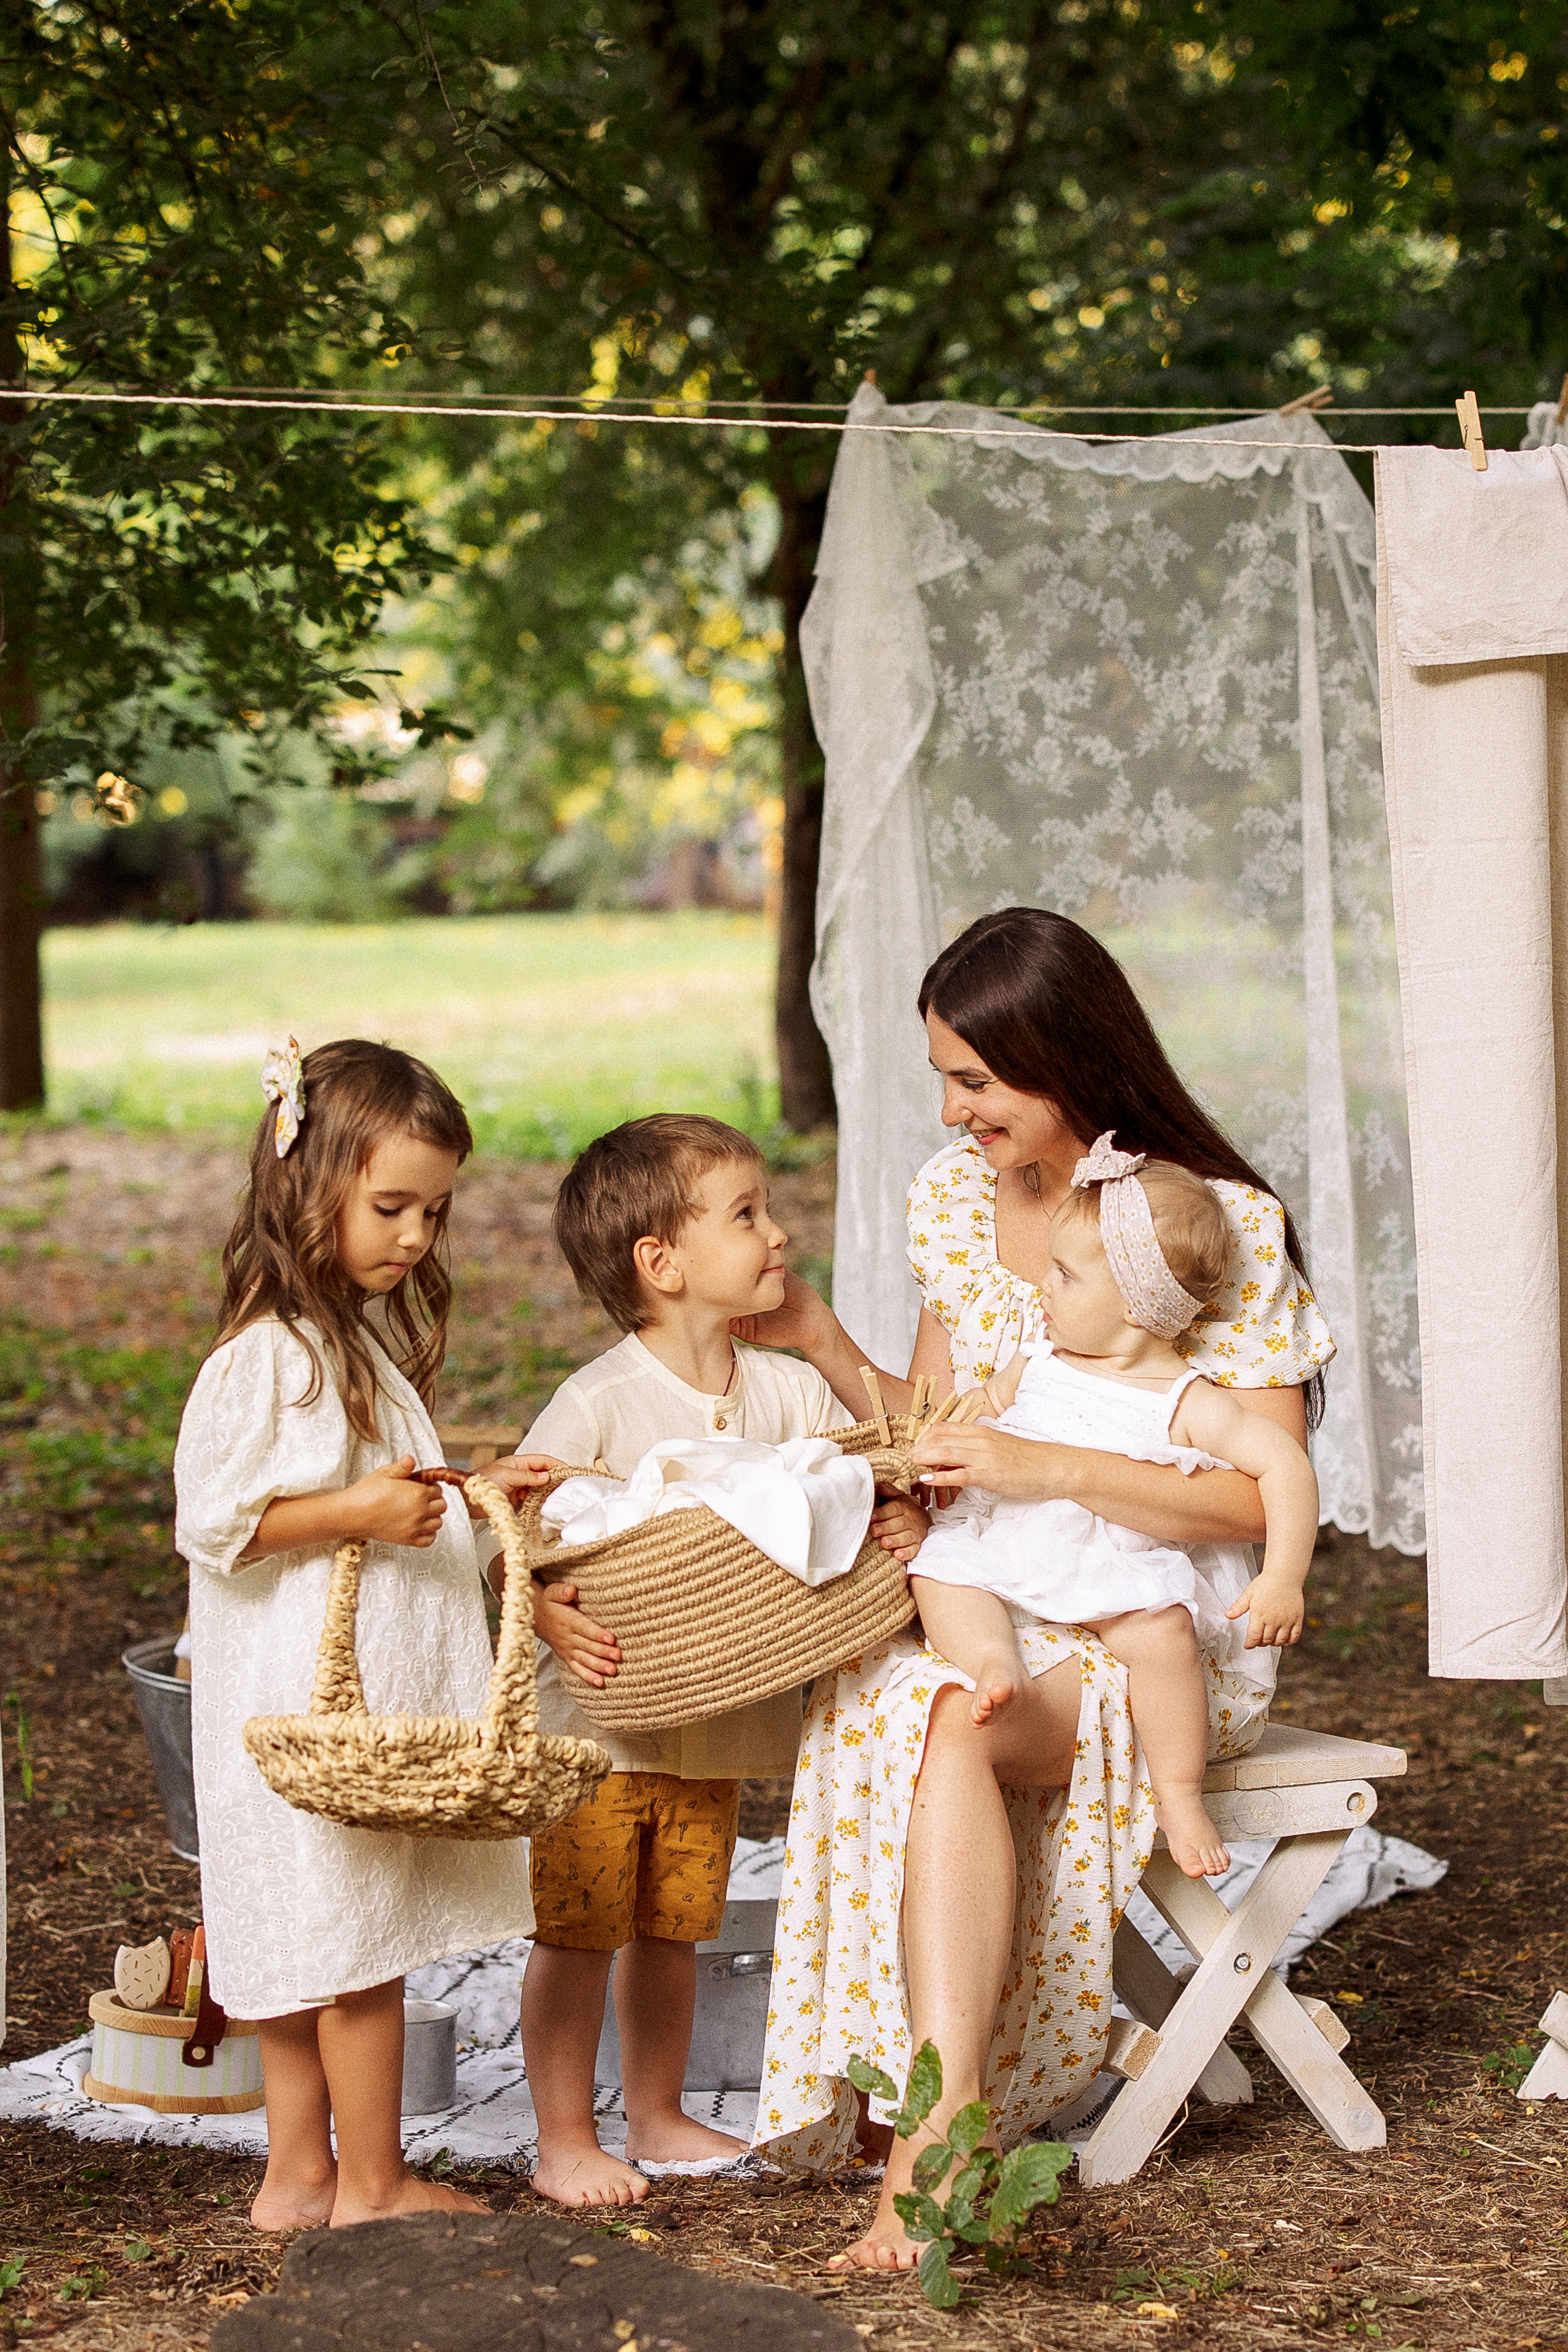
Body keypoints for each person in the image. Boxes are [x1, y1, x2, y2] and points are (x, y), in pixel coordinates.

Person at [733, 908, 1334, 2268]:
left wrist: (1046, 1465)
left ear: (1065, 1058)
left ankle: (934, 2127)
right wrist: (826, 1346)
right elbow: (940, 1425)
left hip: (1160, 1622)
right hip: (1007, 1589)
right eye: (944, 1078)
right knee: (900, 1693)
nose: (954, 1111)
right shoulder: (958, 1198)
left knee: (942, 1711)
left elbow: (1257, 1496)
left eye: (977, 1080)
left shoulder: (1213, 1223)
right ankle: (943, 2100)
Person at [490, 1114, 925, 2211]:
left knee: (675, 1924)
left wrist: (892, 1499)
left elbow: (882, 1456)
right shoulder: (600, 1400)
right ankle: (561, 2135)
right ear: (662, 1260)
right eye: (745, 1214)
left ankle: (655, 2110)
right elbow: (513, 1534)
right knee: (578, 1927)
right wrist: (539, 1608)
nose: (777, 1233)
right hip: (598, 1718)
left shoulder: (783, 1387)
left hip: (716, 1715)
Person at [173, 1039, 532, 2233]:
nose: (417, 1235)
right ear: (306, 1181)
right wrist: (357, 1512)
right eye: (391, 1205)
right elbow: (217, 1519)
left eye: (435, 1210)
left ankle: (296, 2177)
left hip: (320, 1708)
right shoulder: (272, 1355)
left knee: (302, 1937)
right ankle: (372, 2184)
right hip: (310, 1709)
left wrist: (472, 1495)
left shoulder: (348, 1341)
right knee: (355, 1946)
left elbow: (380, 1501)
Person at [911, 1138, 1318, 1880]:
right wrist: (954, 1437)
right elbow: (978, 1405)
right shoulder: (1037, 1357)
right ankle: (994, 1658)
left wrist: (1283, 1577)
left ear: (1135, 1307)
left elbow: (1284, 1467)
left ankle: (1178, 1792)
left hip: (1109, 1564)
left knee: (1162, 1636)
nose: (1042, 1285)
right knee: (940, 1571)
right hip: (1007, 1538)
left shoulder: (1183, 1399)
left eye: (1064, 1275)